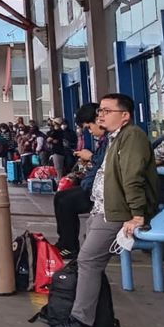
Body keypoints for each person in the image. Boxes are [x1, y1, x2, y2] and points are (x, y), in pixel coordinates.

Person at [49, 93, 159, 327]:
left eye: (107, 111)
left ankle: (82, 322)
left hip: (116, 213)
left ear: (125, 115)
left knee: (88, 262)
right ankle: (96, 318)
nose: (101, 115)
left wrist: (137, 214)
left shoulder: (132, 137)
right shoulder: (115, 139)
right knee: (91, 263)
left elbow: (132, 178)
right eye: (100, 110)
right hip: (103, 210)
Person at [53, 103, 106, 257]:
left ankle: (69, 246)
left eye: (89, 127)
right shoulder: (104, 140)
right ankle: (64, 242)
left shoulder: (115, 139)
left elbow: (106, 164)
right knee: (61, 197)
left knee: (66, 201)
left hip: (101, 190)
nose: (89, 131)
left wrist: (91, 157)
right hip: (93, 184)